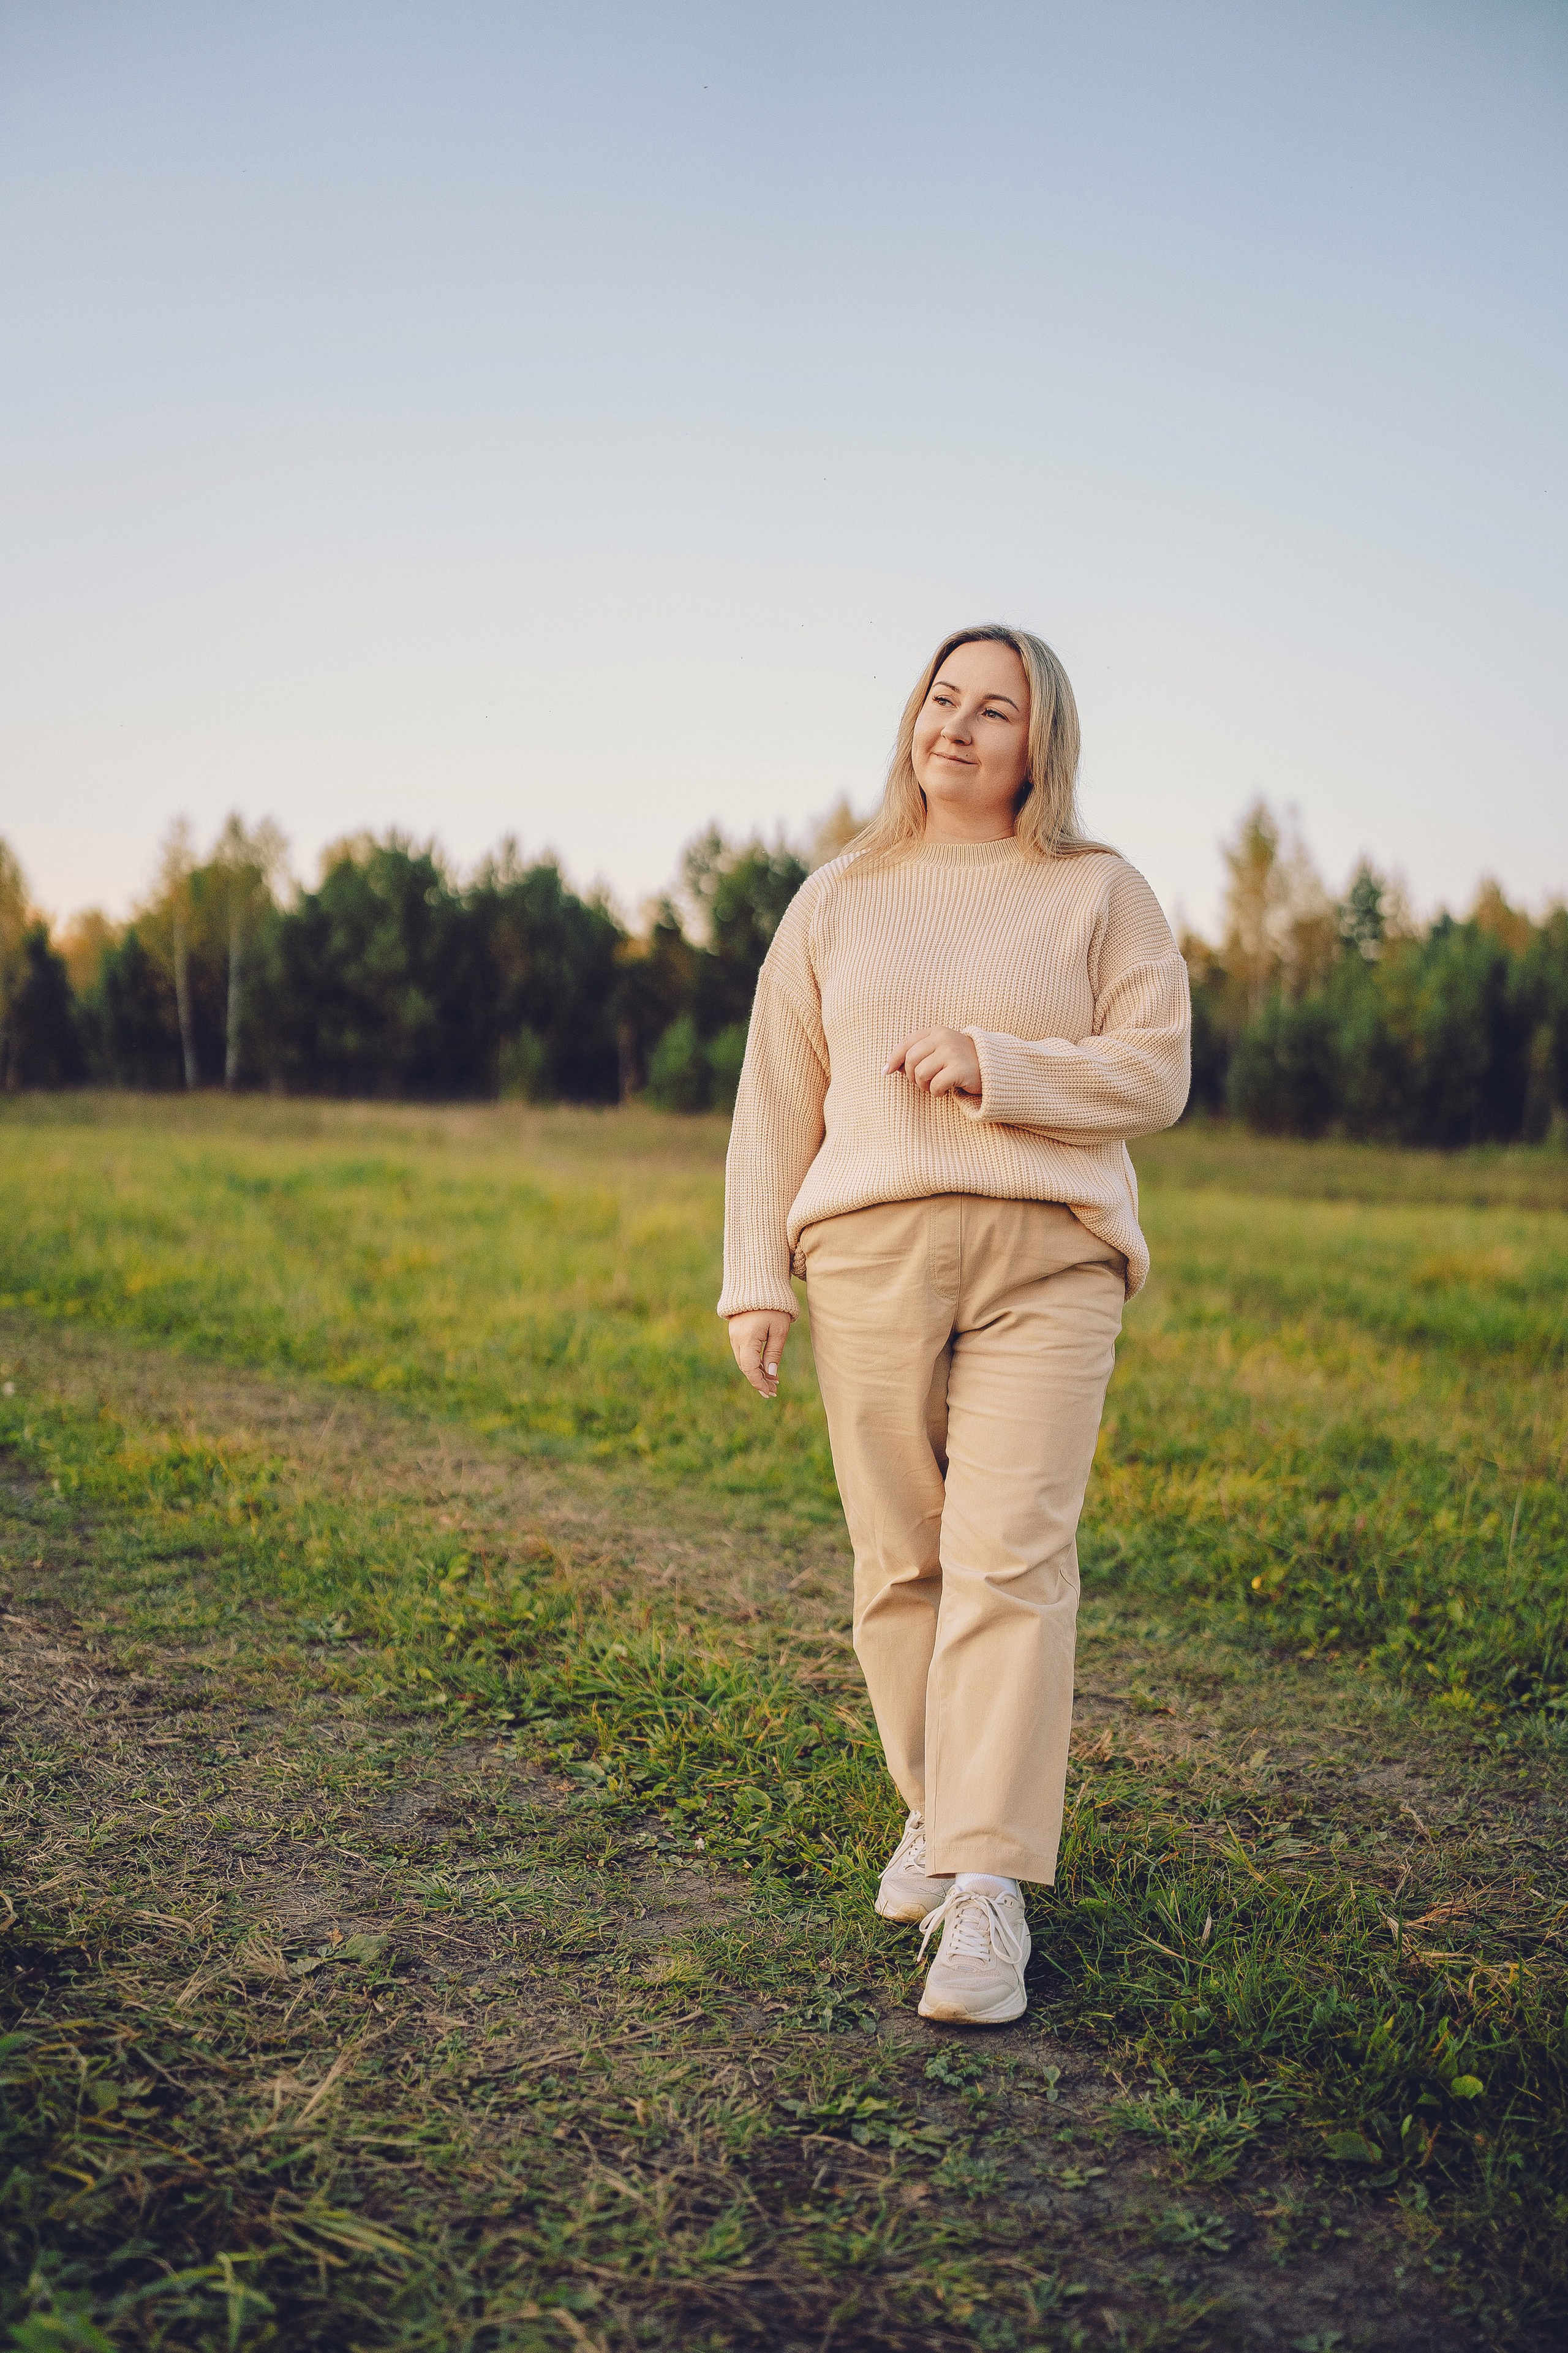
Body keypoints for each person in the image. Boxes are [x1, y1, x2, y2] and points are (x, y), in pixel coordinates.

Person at [718, 623, 1191, 2025]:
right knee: (898, 1558)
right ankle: (937, 1807)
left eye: (996, 708)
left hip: (1051, 1255)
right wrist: (754, 1273)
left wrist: (1001, 1066)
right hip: (867, 1248)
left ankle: (984, 1891)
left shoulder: (1100, 893)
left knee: (1013, 1554)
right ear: (911, 720)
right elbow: (772, 1095)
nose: (960, 725)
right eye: (942, 698)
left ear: (1038, 742)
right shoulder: (836, 897)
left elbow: (1153, 1071)